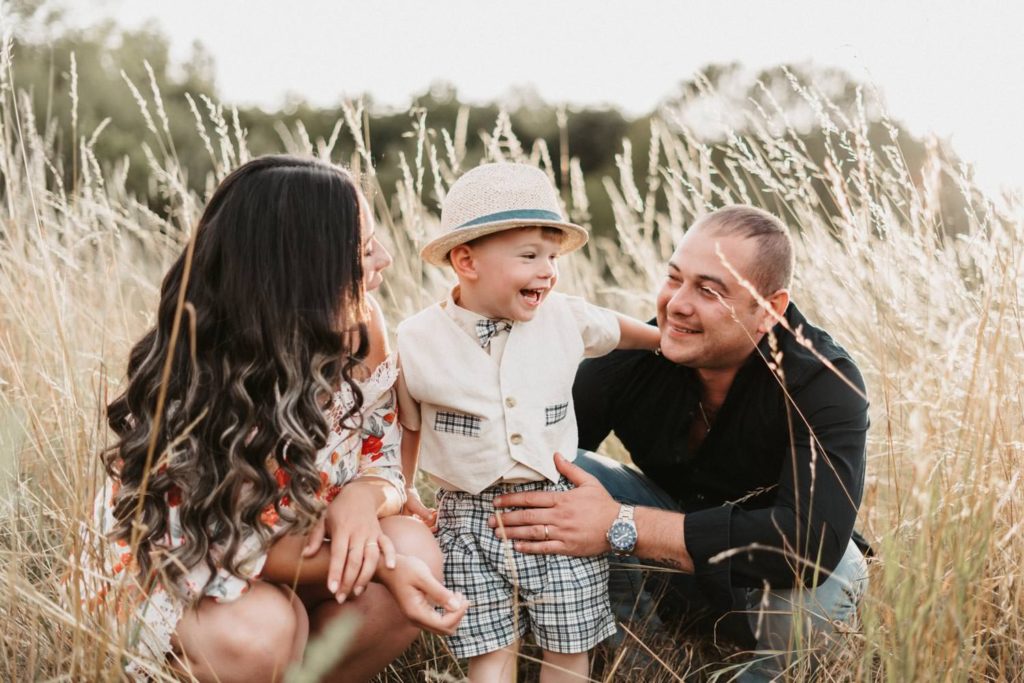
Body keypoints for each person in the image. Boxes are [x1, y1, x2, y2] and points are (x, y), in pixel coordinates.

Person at [77, 155, 467, 682]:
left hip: (297, 554)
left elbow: (389, 459)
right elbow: (230, 544)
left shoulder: (363, 329)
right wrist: (378, 566)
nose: (386, 258)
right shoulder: (204, 373)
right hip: (190, 575)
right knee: (267, 628)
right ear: (305, 272)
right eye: (362, 248)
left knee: (413, 545)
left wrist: (363, 497)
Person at [488, 205, 870, 680]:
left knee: (835, 574)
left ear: (769, 309)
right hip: (670, 579)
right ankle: (640, 662)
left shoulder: (822, 378)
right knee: (564, 472)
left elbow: (810, 546)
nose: (677, 305)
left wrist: (622, 524)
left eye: (709, 290)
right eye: (674, 278)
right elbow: (531, 467)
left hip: (776, 587)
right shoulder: (631, 360)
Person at [395, 163, 661, 682]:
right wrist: (404, 488)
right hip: (467, 517)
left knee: (569, 642)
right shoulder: (418, 339)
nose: (547, 271)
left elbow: (616, 330)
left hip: (557, 511)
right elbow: (408, 424)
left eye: (552, 257)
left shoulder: (564, 316)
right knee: (490, 649)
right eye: (529, 256)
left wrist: (665, 344)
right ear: (466, 260)